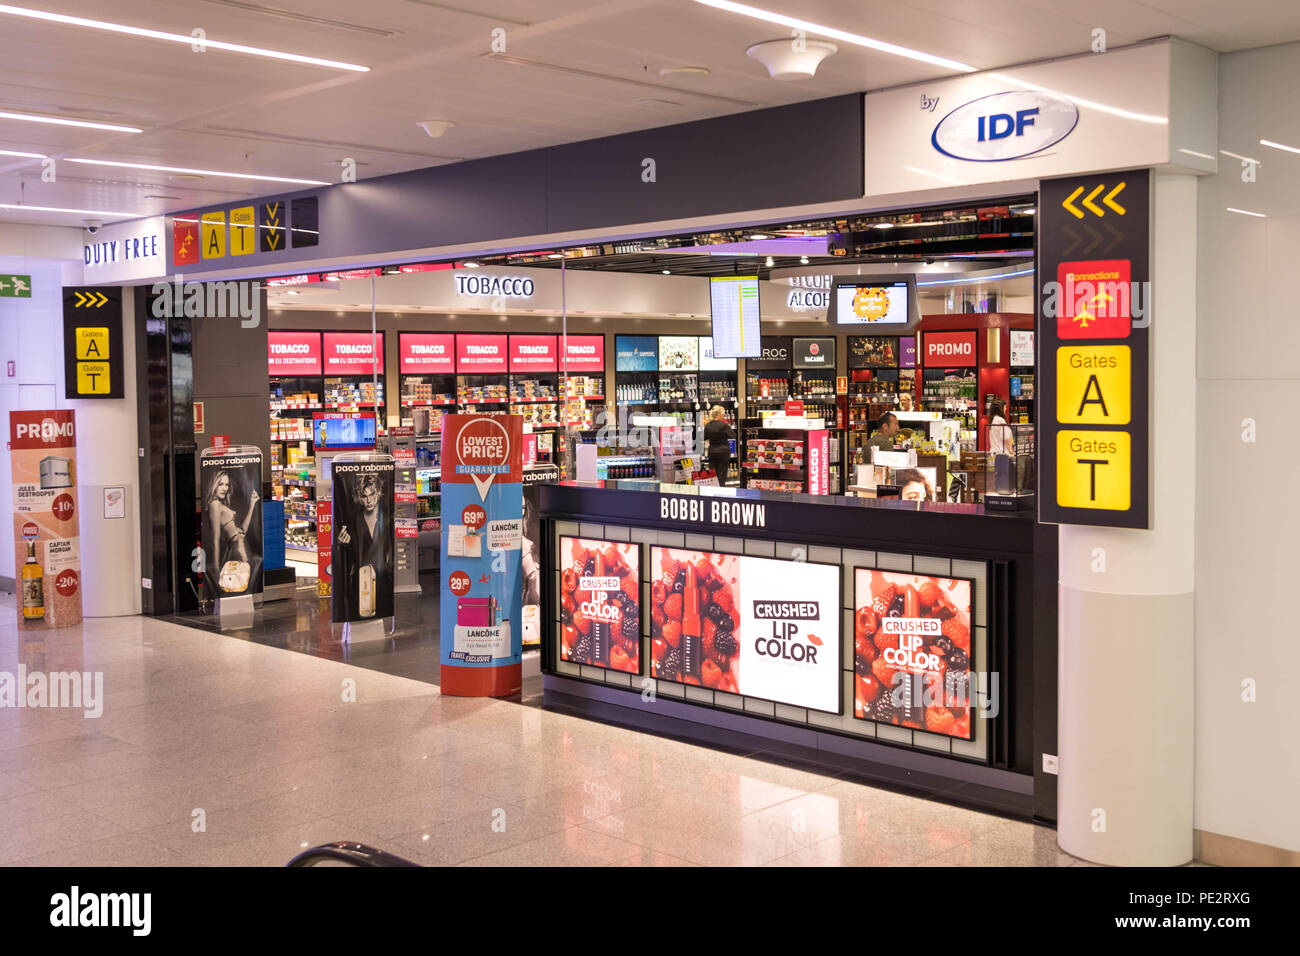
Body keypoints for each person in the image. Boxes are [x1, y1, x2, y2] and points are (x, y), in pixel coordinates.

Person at [335, 471, 392, 620]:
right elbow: (351, 552)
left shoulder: (386, 516)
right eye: (364, 496)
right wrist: (343, 544)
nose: (369, 500)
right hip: (362, 581)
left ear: (378, 493)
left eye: (372, 495)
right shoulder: (354, 519)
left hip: (383, 579)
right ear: (359, 498)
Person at [203, 469, 259, 590]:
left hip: (240, 548)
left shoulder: (220, 504)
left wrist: (252, 504)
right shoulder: (215, 505)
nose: (225, 488)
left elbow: (242, 531)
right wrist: (216, 567)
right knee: (240, 586)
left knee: (240, 586)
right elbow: (215, 538)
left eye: (227, 485)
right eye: (221, 484)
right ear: (214, 485)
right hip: (237, 551)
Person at [702, 405, 735, 484]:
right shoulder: (724, 425)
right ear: (719, 414)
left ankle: (713, 491)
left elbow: (704, 437)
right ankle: (721, 492)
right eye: (723, 414)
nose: (723, 416)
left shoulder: (708, 425)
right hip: (723, 452)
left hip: (712, 451)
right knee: (722, 474)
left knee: (713, 474)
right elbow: (733, 435)